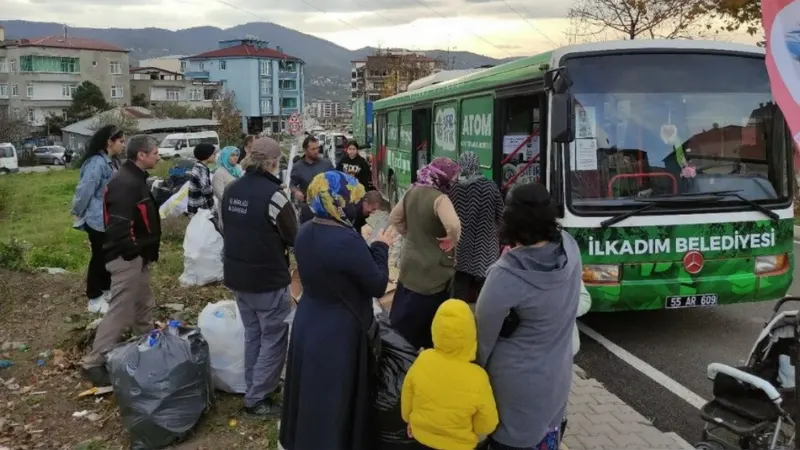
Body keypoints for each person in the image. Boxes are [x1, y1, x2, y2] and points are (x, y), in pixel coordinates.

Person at [280, 171, 397, 450]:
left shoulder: (306, 229)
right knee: (336, 397)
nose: (356, 206)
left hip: (309, 320)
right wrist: (380, 247)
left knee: (310, 392)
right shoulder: (346, 239)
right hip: (340, 330)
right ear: (338, 201)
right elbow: (378, 285)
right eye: (352, 199)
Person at [475, 182, 582, 450]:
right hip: (556, 378)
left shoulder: (505, 275)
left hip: (514, 389)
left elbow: (481, 343)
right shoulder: (570, 249)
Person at [222, 137, 298, 418]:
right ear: (272, 163)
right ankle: (257, 398)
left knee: (254, 334)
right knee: (274, 336)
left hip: (237, 276)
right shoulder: (274, 195)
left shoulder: (231, 189)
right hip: (266, 278)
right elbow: (293, 235)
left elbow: (224, 226)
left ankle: (254, 385)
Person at [81, 135, 162, 387]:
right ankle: (94, 362)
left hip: (139, 256)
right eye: (155, 152)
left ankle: (147, 347)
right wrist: (132, 252)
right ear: (141, 155)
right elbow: (118, 225)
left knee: (143, 303)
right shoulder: (125, 183)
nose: (159, 156)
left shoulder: (136, 178)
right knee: (120, 309)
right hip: (127, 258)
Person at [401, 299, 499, 450]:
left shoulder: (423, 359)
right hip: (459, 445)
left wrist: (409, 419)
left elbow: (407, 395)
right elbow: (487, 424)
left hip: (423, 437)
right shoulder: (478, 377)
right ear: (471, 334)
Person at [389, 156, 461, 350]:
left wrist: (410, 233)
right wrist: (451, 239)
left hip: (409, 260)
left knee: (405, 307)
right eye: (453, 177)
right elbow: (453, 224)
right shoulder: (440, 198)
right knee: (428, 315)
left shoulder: (413, 191)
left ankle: (401, 348)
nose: (454, 181)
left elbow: (394, 217)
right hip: (433, 268)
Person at [71, 125, 126, 315]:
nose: (123, 145)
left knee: (109, 256)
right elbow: (85, 189)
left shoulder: (111, 162)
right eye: (121, 141)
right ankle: (94, 298)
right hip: (97, 219)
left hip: (110, 219)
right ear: (109, 142)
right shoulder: (97, 163)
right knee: (99, 258)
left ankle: (105, 290)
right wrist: (78, 211)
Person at [449, 151, 504, 304]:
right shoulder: (490, 186)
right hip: (486, 246)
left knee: (460, 289)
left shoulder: (454, 189)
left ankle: (458, 318)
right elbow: (501, 215)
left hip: (461, 246)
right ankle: (482, 321)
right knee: (485, 292)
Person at [289, 135, 334, 224]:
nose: (316, 151)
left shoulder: (327, 164)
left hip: (326, 207)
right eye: (313, 149)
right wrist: (296, 191)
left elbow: (335, 180)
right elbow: (292, 184)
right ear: (305, 150)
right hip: (307, 208)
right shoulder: (297, 167)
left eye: (317, 148)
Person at [213, 146, 243, 229]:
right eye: (232, 155)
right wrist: (235, 201)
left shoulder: (238, 168)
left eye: (237, 155)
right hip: (228, 207)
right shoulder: (219, 173)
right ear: (226, 155)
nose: (235, 157)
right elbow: (220, 195)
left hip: (242, 206)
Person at [187, 143, 216, 215]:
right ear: (206, 154)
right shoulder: (201, 170)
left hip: (195, 206)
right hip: (200, 208)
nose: (215, 155)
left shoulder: (198, 166)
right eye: (213, 154)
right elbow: (206, 190)